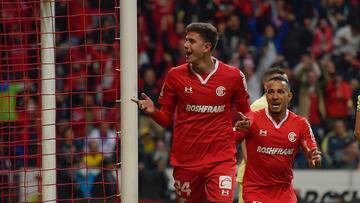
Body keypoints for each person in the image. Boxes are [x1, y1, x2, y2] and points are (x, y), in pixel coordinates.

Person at [132, 22, 251, 202]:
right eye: (185, 40)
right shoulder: (175, 75)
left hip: (221, 159)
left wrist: (239, 130)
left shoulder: (233, 76)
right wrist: (153, 111)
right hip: (186, 161)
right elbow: (165, 120)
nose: (185, 45)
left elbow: (247, 113)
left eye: (191, 41)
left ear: (206, 47)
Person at [234, 76, 321, 203]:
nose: (275, 96)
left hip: (284, 193)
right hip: (255, 191)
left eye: (280, 92)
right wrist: (236, 130)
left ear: (289, 96)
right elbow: (228, 142)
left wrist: (315, 160)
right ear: (266, 96)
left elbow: (314, 158)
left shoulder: (301, 123)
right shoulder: (251, 119)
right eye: (271, 92)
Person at [236, 67, 288, 203]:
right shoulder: (259, 107)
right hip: (254, 180)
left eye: (285, 81)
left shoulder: (281, 109)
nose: (284, 84)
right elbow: (244, 142)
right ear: (266, 85)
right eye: (279, 81)